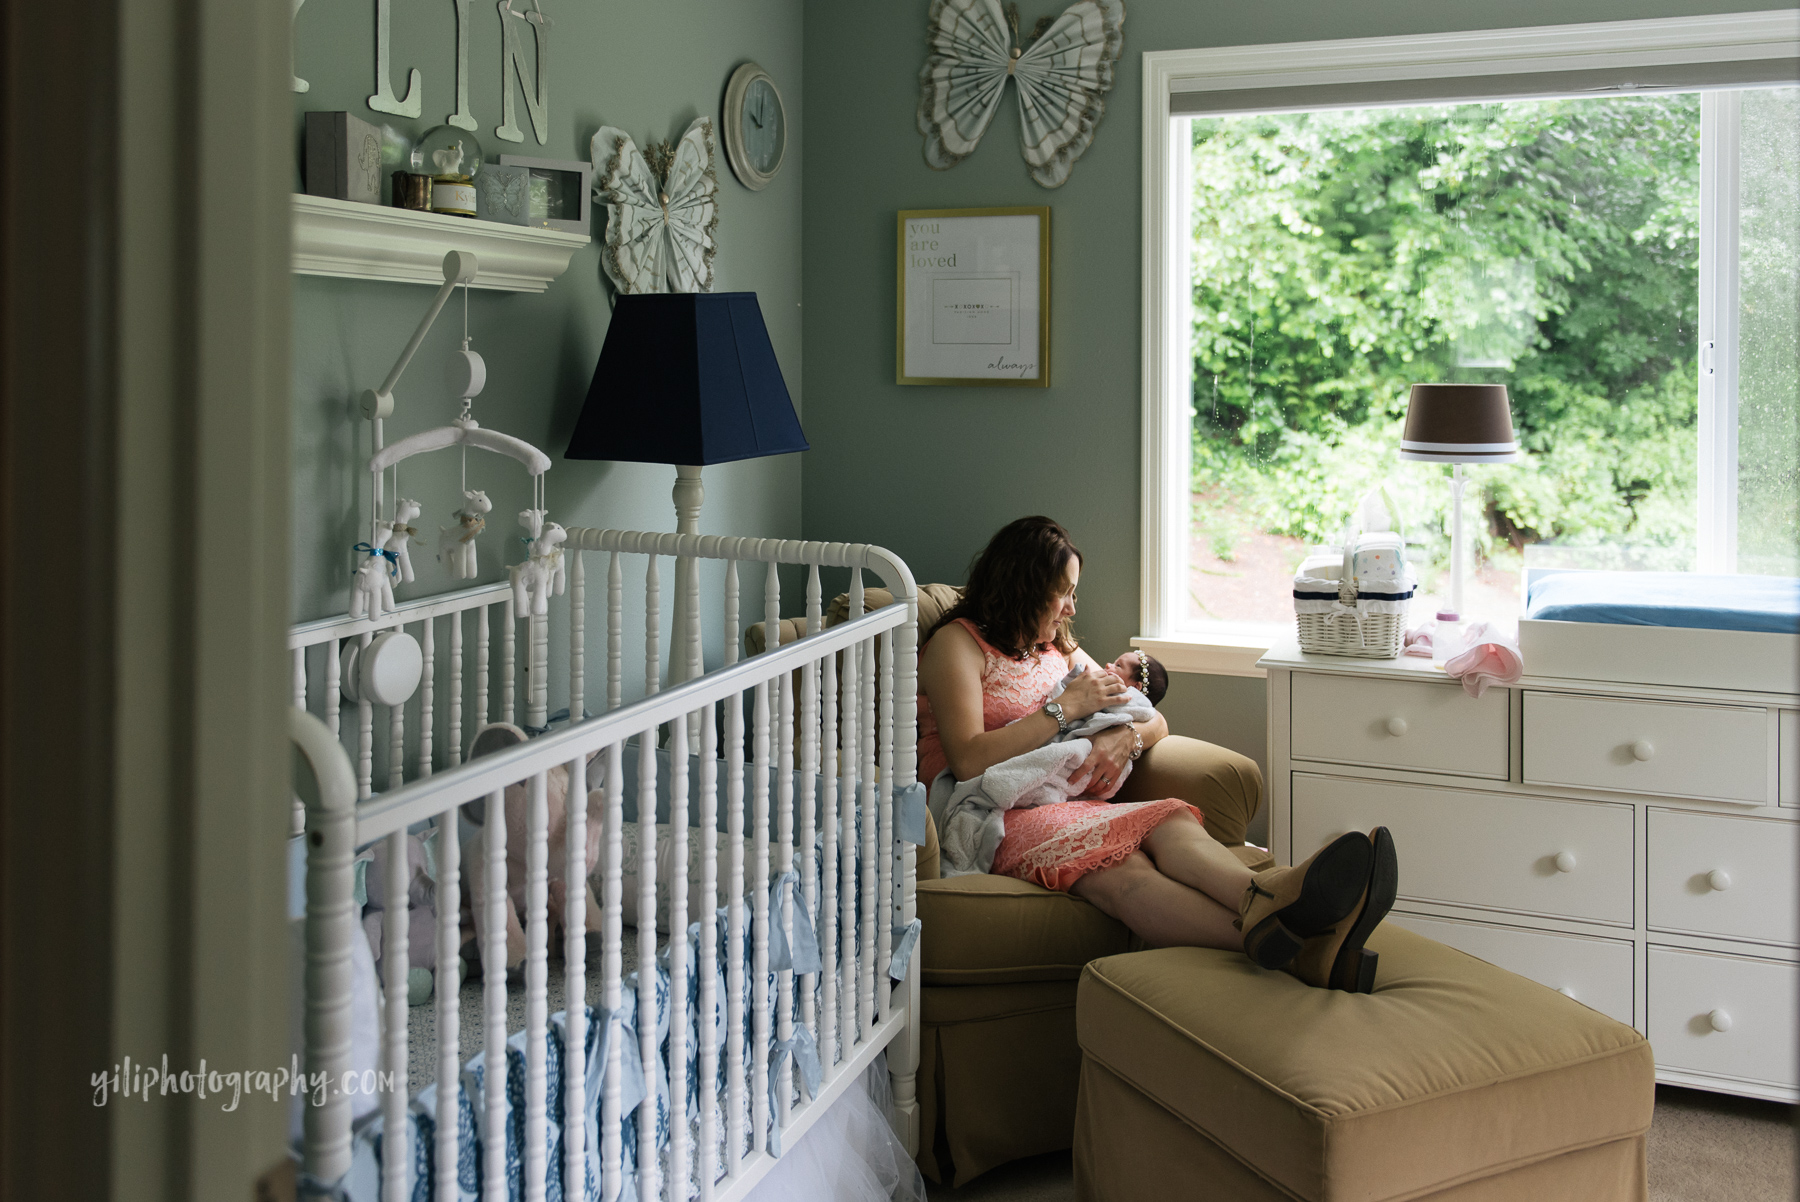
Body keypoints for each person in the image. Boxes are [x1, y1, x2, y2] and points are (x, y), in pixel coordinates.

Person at [916, 516, 1399, 992]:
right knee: (1121, 868)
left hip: (1063, 800)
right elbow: (969, 760)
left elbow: (1152, 718)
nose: (1069, 608)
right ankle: (1303, 942)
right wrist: (1064, 710)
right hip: (993, 808)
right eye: (1062, 592)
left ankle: (1276, 901)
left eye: (1073, 593)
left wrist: (1125, 739)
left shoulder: (1054, 648)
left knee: (1169, 819)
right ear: (1024, 585)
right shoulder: (957, 645)